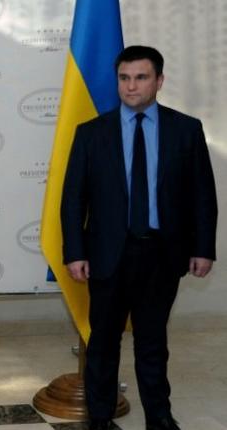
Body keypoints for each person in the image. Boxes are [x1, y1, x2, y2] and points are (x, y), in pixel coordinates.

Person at [61, 45, 217, 430]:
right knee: (103, 344)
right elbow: (72, 199)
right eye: (124, 78)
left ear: (159, 81)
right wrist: (74, 252)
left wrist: (203, 248)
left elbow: (202, 195)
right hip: (107, 256)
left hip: (162, 255)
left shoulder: (186, 129)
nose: (131, 86)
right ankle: (99, 417)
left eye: (141, 77)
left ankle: (159, 416)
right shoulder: (91, 133)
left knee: (152, 343)